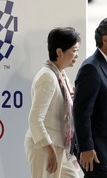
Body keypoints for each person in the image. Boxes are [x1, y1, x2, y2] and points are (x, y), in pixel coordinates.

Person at [73, 16, 107, 178]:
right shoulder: (91, 69)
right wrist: (86, 148)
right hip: (95, 154)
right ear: (106, 40)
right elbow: (81, 112)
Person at [24, 27, 81, 178]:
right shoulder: (47, 77)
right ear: (59, 52)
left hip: (60, 145)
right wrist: (50, 150)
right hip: (44, 146)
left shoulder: (60, 74)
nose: (77, 55)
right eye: (74, 50)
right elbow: (35, 120)